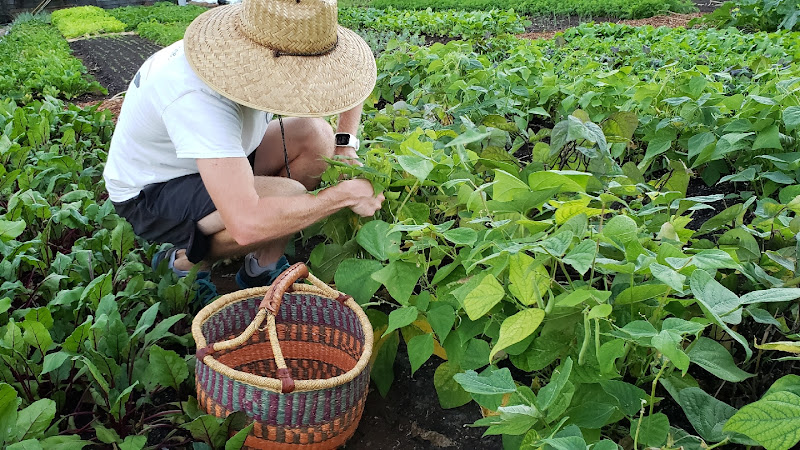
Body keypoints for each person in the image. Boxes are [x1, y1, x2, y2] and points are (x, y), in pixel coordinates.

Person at [102, 0, 384, 299]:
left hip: (220, 155)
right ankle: (183, 265)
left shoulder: (272, 40)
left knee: (314, 135)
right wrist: (341, 196)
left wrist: (344, 145)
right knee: (287, 195)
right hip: (155, 190)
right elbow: (246, 223)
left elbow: (351, 78)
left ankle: (262, 268)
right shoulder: (196, 94)